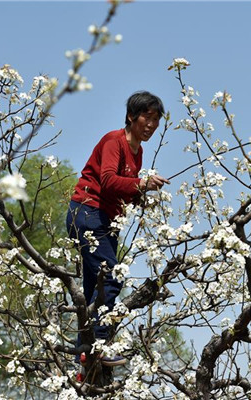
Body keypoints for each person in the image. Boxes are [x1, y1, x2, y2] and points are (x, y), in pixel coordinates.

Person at [66, 91, 170, 367]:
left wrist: (139, 197)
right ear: (131, 117)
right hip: (87, 213)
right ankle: (99, 346)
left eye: (156, 120)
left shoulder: (138, 152)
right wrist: (142, 185)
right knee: (111, 278)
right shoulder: (114, 141)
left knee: (94, 288)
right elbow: (110, 181)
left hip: (107, 220)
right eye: (146, 118)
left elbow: (122, 190)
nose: (151, 125)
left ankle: (84, 356)